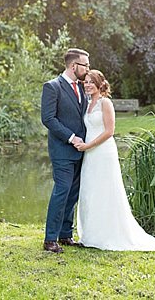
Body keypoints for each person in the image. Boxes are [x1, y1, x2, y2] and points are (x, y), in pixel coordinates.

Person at [75, 69, 155, 254]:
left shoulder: (105, 103)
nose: (88, 84)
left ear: (100, 84)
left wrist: (89, 145)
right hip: (89, 153)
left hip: (102, 151)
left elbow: (109, 131)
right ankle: (91, 234)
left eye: (91, 81)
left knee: (106, 190)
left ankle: (108, 235)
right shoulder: (88, 103)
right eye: (86, 81)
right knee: (90, 190)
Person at [41, 48, 91, 253]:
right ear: (73, 66)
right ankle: (50, 239)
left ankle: (65, 235)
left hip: (82, 151)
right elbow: (48, 119)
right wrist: (71, 138)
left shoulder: (82, 88)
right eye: (85, 65)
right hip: (62, 150)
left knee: (73, 193)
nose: (88, 69)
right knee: (61, 192)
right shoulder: (53, 87)